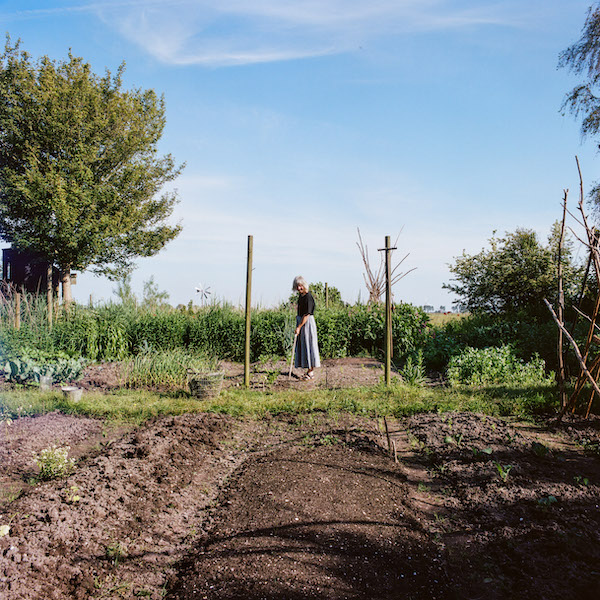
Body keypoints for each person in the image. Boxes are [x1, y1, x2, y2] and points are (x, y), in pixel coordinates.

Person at [292, 275, 321, 380]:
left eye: (300, 286)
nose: (299, 288)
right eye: (297, 286)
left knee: (310, 345)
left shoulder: (308, 297)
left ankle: (311, 372)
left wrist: (299, 327)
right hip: (302, 322)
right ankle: (308, 371)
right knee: (304, 346)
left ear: (304, 285)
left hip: (307, 323)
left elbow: (307, 314)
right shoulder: (301, 297)